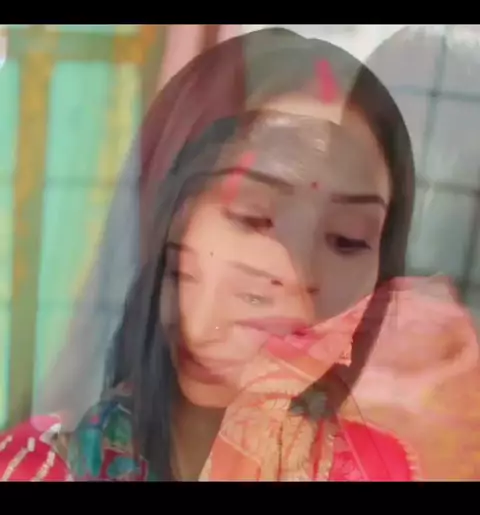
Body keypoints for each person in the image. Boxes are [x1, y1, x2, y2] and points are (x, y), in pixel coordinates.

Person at [0, 27, 427, 480]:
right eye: (253, 217)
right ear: (166, 222)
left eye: (347, 239)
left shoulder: (387, 470)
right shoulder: (36, 470)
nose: (299, 272)